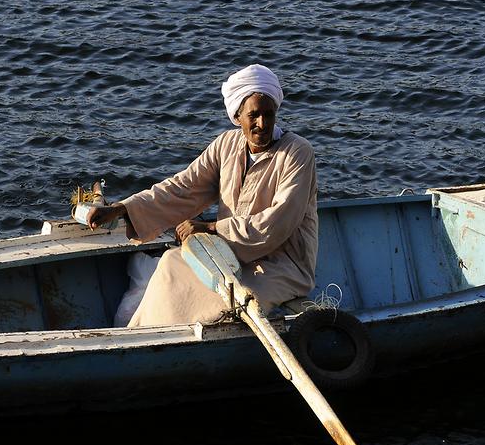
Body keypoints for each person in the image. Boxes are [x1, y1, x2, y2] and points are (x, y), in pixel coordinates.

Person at [89, 64, 318, 327]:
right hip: (227, 254)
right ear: (237, 116)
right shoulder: (226, 145)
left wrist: (211, 228)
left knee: (228, 300)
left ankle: (175, 343)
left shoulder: (298, 153)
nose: (262, 124)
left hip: (280, 267)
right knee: (172, 262)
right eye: (253, 115)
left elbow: (277, 223)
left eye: (269, 114)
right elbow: (183, 188)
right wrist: (122, 208)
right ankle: (140, 335)